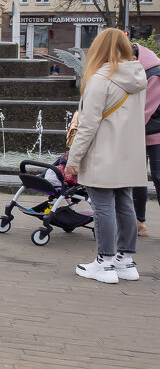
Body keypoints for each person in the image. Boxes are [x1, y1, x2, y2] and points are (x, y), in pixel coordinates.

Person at [67, 29, 146, 284]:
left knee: (103, 208)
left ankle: (105, 262)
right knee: (125, 205)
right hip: (129, 154)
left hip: (102, 153)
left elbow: (88, 126)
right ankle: (126, 261)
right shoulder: (137, 76)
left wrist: (73, 159)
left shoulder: (100, 80)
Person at [131, 41, 160, 238]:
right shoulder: (135, 70)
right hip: (137, 132)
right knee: (136, 178)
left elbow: (145, 111)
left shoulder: (154, 73)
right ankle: (139, 223)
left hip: (156, 133)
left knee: (158, 177)